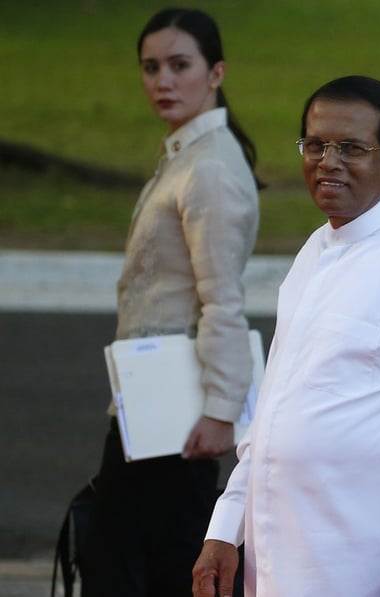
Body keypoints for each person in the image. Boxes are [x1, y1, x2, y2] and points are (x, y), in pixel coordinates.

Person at [192, 76, 380, 597]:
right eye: (315, 145)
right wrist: (226, 527)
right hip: (277, 551)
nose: (327, 162)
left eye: (351, 149)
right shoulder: (315, 248)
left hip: (364, 563)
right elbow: (273, 410)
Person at [80, 8, 261, 596]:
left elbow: (222, 300)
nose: (163, 80)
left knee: (140, 568)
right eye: (151, 67)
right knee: (133, 564)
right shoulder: (189, 154)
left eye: (180, 65)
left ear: (216, 73)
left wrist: (220, 409)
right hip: (148, 405)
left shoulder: (210, 167)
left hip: (177, 415)